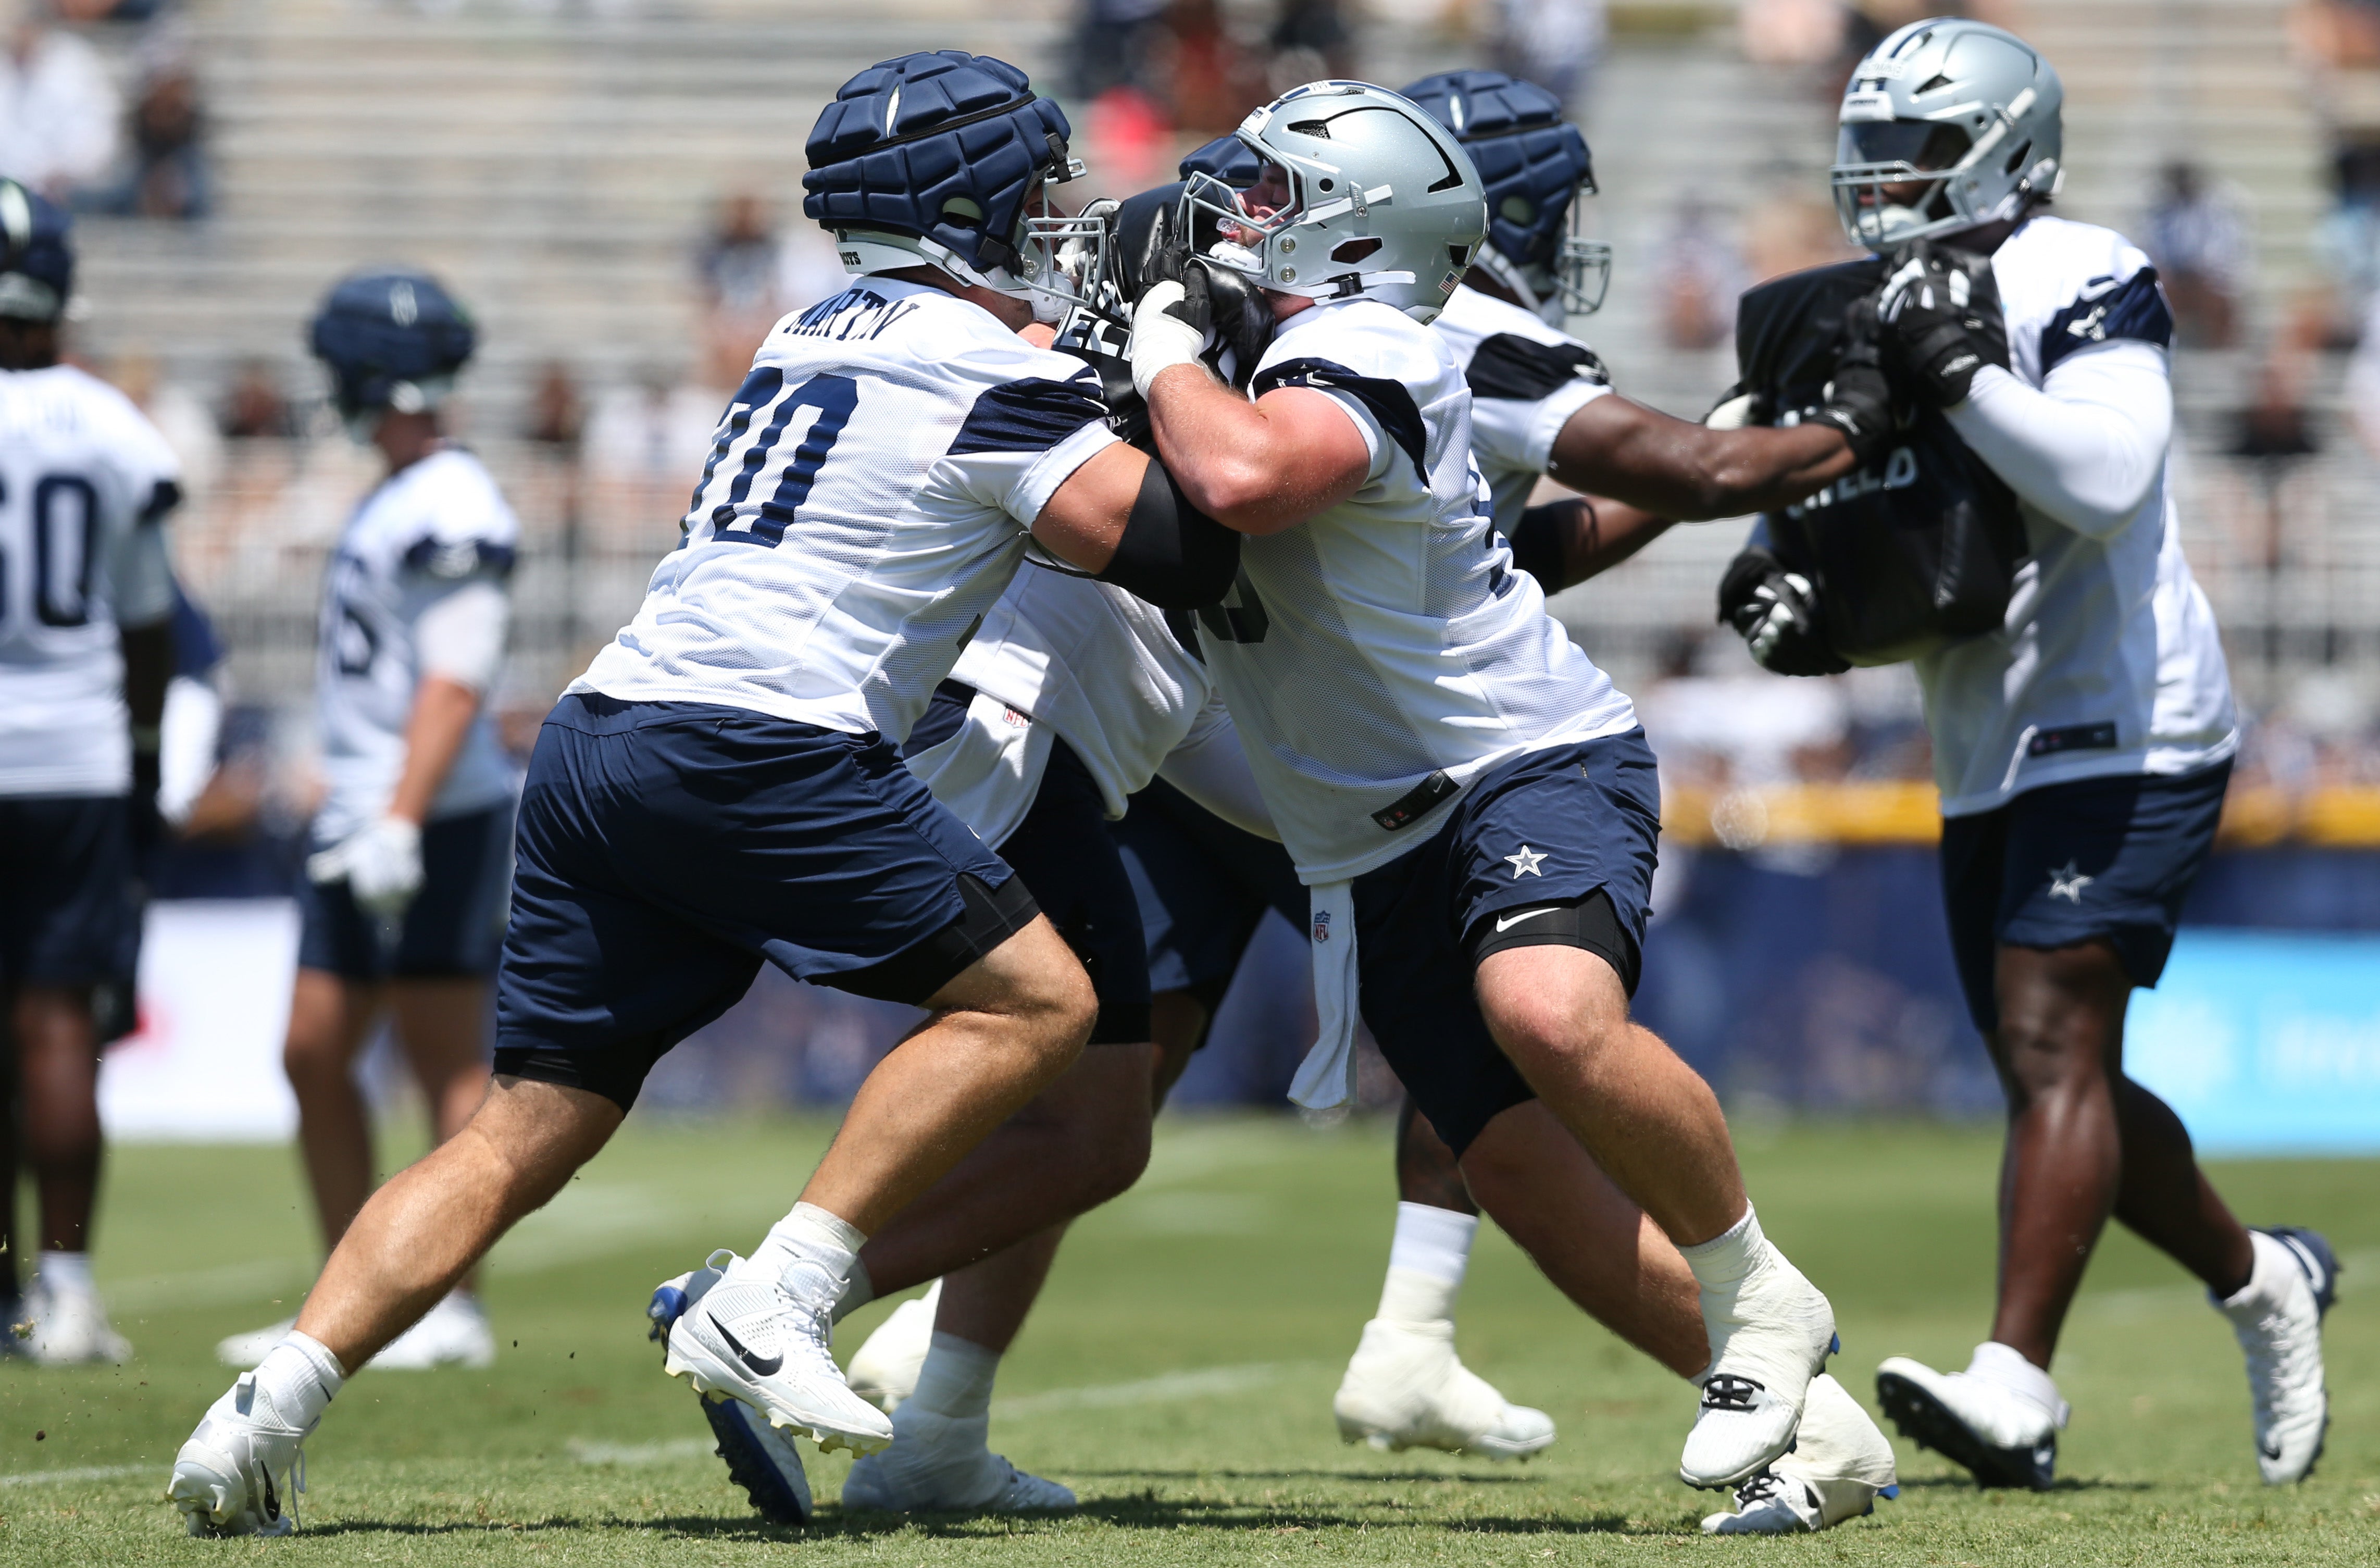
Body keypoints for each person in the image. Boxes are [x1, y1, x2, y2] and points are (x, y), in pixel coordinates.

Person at [167, 48, 1208, 1537]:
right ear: (971, 202)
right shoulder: (987, 364)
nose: (1057, 216)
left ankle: (266, 1400)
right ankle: (779, 1295)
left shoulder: (802, 327)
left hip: (606, 730)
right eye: (1038, 191)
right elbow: (1171, 549)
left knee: (521, 1125)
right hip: (762, 736)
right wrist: (1158, 361)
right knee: (1037, 1005)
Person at [1126, 80, 1845, 1500]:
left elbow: (1243, 477)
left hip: (1516, 759)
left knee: (1546, 1009)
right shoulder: (1283, 336)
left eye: (1275, 195)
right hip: (1372, 827)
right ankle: (1826, 1433)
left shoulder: (1376, 341)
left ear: (1351, 234)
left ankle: (1764, 1297)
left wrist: (1156, 340)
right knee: (1509, 1170)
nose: (1238, 215)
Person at [1793, 17, 2335, 1490]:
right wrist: (1804, 598)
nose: (1882, 182)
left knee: (2048, 1043)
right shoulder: (1881, 296)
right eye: (1870, 154)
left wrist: (1955, 369)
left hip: (2128, 711)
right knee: (2053, 1065)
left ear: (2001, 150)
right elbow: (1907, 536)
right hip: (1988, 728)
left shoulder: (2073, 265)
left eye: (1910, 153)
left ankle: (2015, 1384)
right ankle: (2259, 1274)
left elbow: (2104, 477)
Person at [210, 269, 521, 1375]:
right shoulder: (401, 490)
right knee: (312, 1050)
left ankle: (452, 1302)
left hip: (432, 812)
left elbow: (455, 680)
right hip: (367, 809)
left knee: (442, 1056)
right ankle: (352, 1293)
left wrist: (399, 814)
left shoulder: (451, 500)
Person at [0, 178, 180, 1364]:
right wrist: (148, 750)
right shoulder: (112, 425)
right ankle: (61, 1290)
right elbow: (150, 622)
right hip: (70, 752)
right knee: (58, 1020)